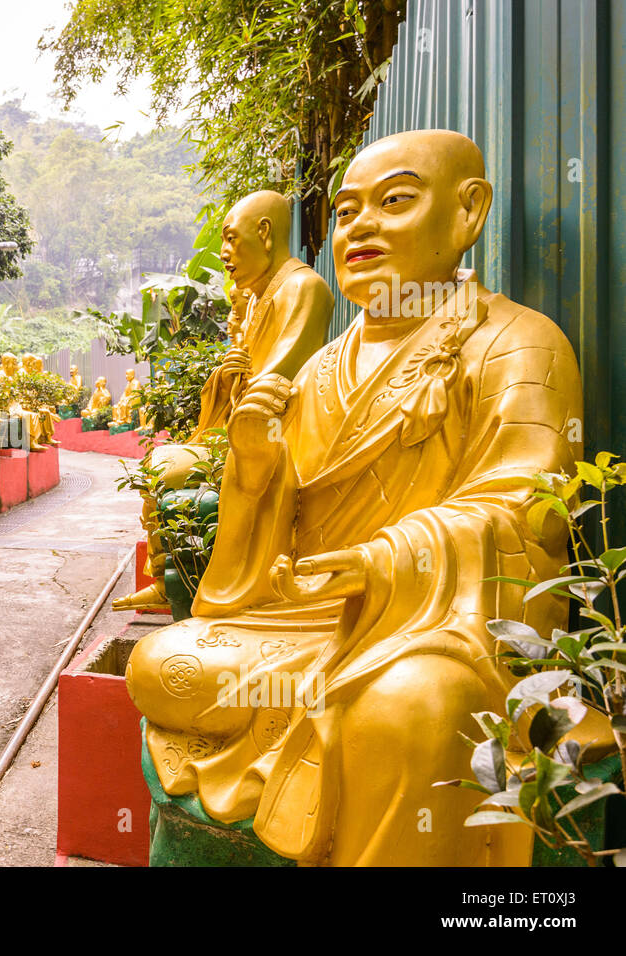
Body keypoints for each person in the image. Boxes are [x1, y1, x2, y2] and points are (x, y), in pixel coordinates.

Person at [125, 130, 584, 866]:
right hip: (306, 626)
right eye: (346, 212)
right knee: (159, 664)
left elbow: (525, 509)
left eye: (394, 201)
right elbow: (270, 557)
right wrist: (254, 474)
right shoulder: (319, 371)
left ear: (469, 212)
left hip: (433, 631)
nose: (361, 226)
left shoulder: (518, 345)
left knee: (411, 711)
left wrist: (385, 562)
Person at [114, 190, 333, 612]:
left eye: (232, 240)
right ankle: (166, 577)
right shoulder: (256, 300)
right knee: (159, 464)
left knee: (164, 465)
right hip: (240, 425)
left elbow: (280, 381)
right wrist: (227, 376)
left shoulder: (304, 288)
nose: (225, 255)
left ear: (265, 233)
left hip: (273, 439)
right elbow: (244, 385)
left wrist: (245, 382)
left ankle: (185, 581)